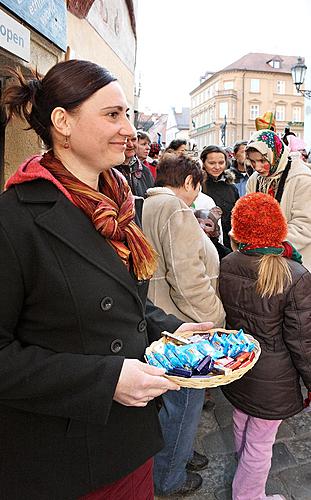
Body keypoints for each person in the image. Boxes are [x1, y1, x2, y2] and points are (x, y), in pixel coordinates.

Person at [0, 60, 214, 500]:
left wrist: (172, 331)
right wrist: (106, 380)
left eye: (128, 116)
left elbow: (122, 302)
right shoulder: (14, 220)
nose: (129, 130)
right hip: (64, 461)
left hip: (130, 442)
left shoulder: (118, 205)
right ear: (63, 123)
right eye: (112, 115)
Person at [142, 153, 225, 497]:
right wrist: (215, 318)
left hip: (163, 315)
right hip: (184, 324)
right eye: (196, 186)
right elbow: (187, 278)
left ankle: (179, 456)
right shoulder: (175, 208)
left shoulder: (150, 203)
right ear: (189, 182)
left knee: (175, 404)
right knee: (185, 405)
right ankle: (170, 477)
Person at [219, 192, 311, 500]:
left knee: (241, 420)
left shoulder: (229, 262)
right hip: (274, 377)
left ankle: (242, 471)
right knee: (260, 442)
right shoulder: (295, 274)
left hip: (240, 365)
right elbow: (303, 342)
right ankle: (248, 495)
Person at [246, 129, 311, 271]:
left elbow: (304, 226)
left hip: (297, 265)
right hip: (262, 262)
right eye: (252, 161)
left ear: (275, 155)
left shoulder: (302, 179)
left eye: (263, 160)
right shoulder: (255, 180)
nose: (257, 167)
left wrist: (266, 242)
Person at [200, 145, 239, 249]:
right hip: (205, 244)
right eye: (212, 163)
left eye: (221, 163)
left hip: (228, 243)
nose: (217, 167)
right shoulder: (197, 187)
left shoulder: (231, 188)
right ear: (203, 163)